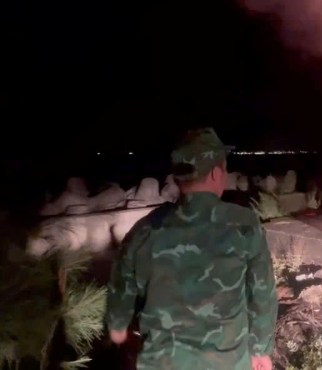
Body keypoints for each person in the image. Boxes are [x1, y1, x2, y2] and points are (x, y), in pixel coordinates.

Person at [105, 128, 278, 370]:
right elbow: (262, 294)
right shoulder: (243, 224)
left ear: (178, 178)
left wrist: (117, 325)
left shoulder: (145, 230)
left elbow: (120, 287)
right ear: (217, 174)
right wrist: (260, 349)